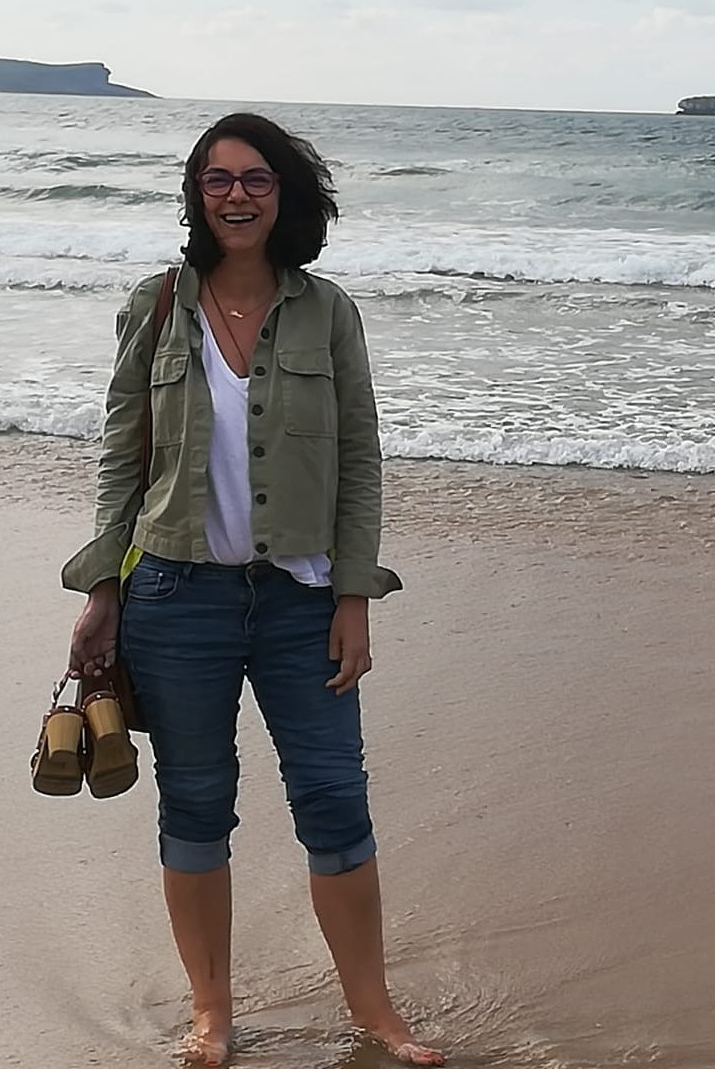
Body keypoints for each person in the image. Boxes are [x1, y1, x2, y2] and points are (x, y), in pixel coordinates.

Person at [61, 114, 444, 1067]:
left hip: (302, 600)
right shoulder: (156, 306)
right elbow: (121, 454)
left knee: (335, 800)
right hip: (172, 597)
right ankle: (212, 1013)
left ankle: (375, 1012)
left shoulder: (328, 311)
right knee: (195, 804)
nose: (236, 195)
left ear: (285, 195)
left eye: (257, 179)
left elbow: (360, 461)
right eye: (218, 179)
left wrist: (353, 597)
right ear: (196, 195)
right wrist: (101, 587)